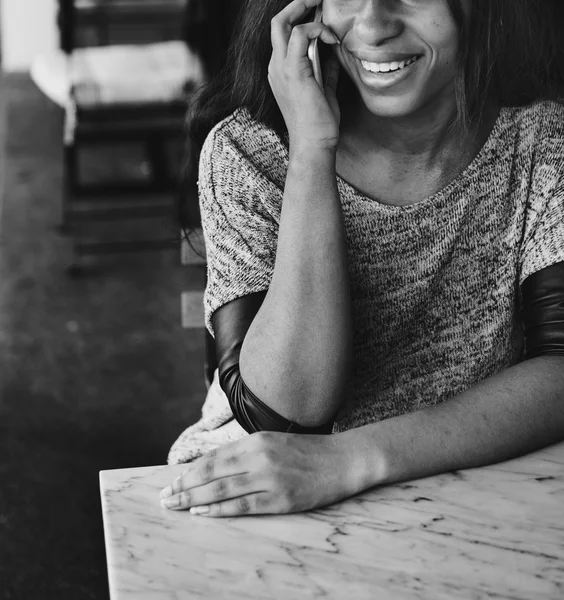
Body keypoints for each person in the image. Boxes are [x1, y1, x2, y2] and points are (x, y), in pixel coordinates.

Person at [161, 0, 564, 517]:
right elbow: (286, 415)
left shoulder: (541, 140)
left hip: (458, 481)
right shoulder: (248, 152)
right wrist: (312, 147)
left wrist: (355, 458)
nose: (373, 27)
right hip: (254, 492)